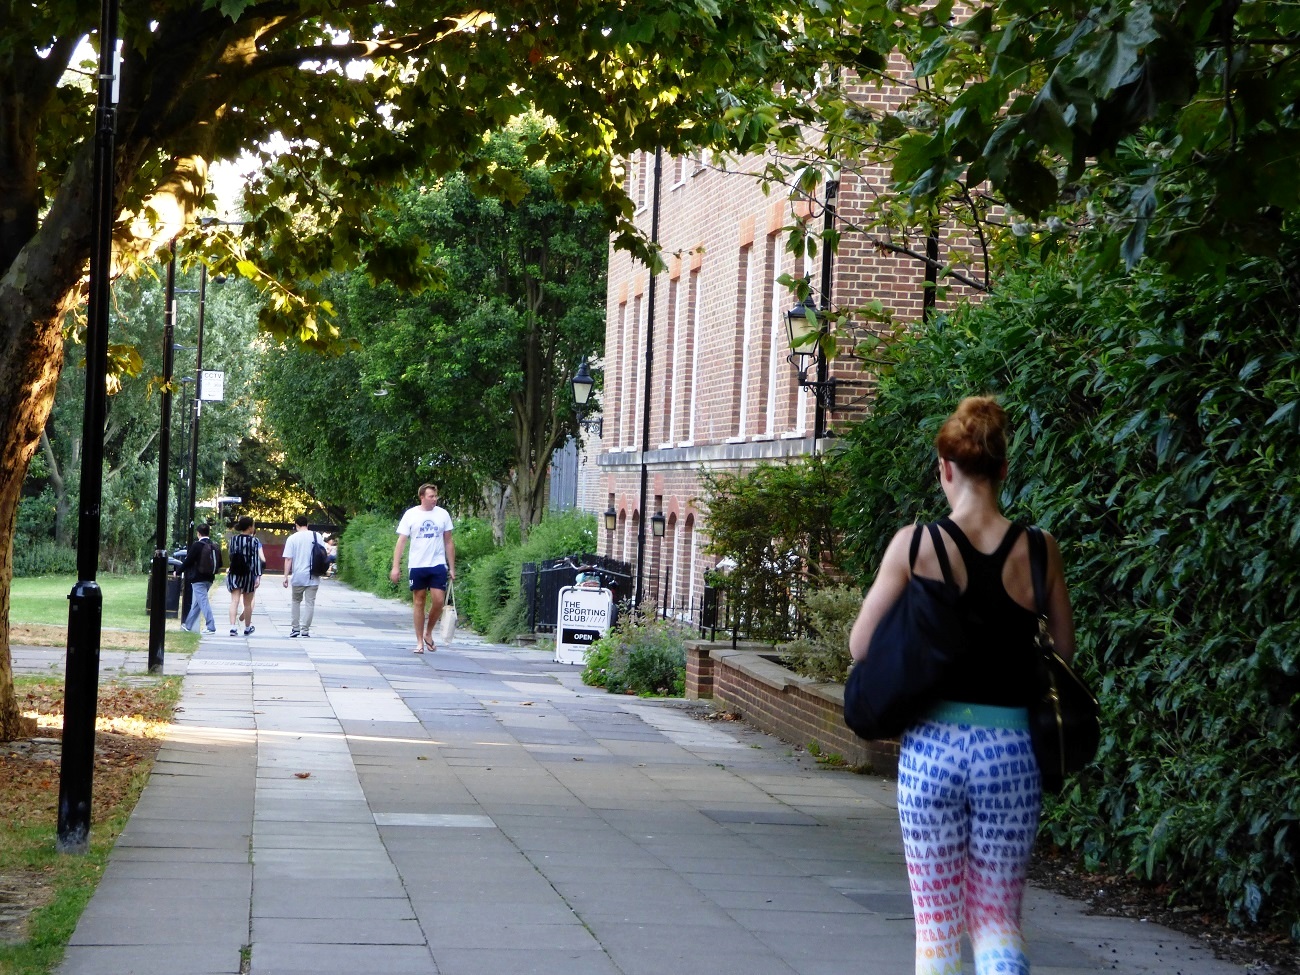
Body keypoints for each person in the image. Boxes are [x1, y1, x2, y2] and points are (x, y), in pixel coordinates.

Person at [847, 396, 1076, 975]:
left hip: (932, 752)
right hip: (1012, 752)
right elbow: (1065, 656)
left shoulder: (915, 545)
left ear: (945, 467)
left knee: (937, 925)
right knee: (997, 918)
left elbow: (859, 646)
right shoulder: (1040, 549)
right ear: (1003, 468)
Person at [390, 483, 455, 653]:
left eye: (435, 496)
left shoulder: (443, 514)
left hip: (438, 563)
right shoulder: (411, 515)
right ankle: (419, 642)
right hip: (417, 564)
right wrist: (395, 566)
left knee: (439, 601)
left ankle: (429, 632)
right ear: (422, 497)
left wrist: (452, 567)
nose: (435, 499)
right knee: (419, 602)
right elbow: (401, 541)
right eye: (431, 496)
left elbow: (448, 541)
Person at [281, 515, 322, 638]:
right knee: (310, 603)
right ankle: (305, 630)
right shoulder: (317, 536)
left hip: (298, 576)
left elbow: (288, 559)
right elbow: (323, 554)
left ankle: (295, 628)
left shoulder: (292, 538)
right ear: (307, 524)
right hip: (313, 575)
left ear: (296, 525)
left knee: (296, 601)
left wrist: (285, 576)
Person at [225, 515, 264, 637]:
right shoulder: (255, 541)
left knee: (234, 601)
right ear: (249, 527)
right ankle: (247, 627)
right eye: (253, 525)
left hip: (235, 572)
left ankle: (232, 627)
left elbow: (231, 556)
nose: (253, 527)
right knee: (247, 603)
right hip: (248, 574)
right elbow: (257, 560)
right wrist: (258, 576)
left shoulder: (233, 540)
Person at [178, 523, 221, 633]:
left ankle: (211, 626)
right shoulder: (214, 545)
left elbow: (188, 561)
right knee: (197, 603)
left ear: (198, 533)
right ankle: (188, 625)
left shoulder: (197, 545)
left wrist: (178, 571)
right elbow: (219, 563)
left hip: (198, 578)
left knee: (203, 602)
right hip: (209, 578)